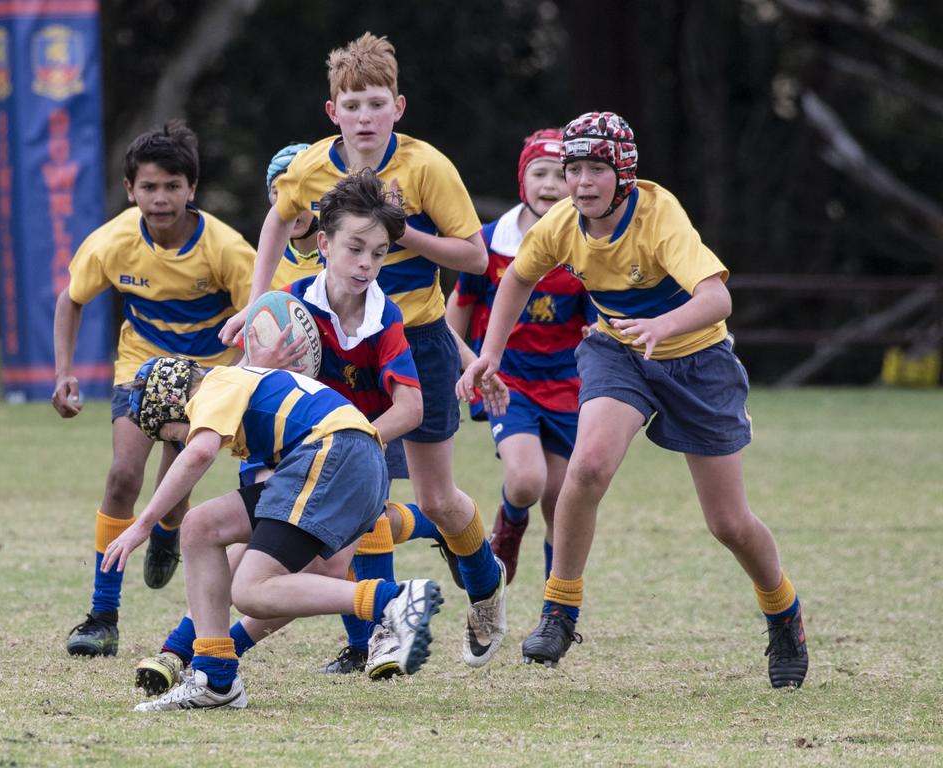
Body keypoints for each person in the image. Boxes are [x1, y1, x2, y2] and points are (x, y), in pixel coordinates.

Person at [458, 111, 809, 688]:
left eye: (596, 168)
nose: (582, 182)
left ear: (623, 173)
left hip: (698, 362)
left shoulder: (657, 212)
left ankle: (783, 614)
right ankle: (560, 611)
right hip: (618, 353)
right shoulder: (563, 224)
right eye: (574, 168)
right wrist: (489, 353)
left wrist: (663, 326)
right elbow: (518, 278)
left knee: (727, 523)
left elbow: (716, 298)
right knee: (588, 466)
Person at [220, 32, 506, 668]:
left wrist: (402, 233)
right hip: (334, 339)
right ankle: (370, 640)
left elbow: (476, 256)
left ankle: (485, 581)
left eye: (377, 103)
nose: (365, 117)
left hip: (418, 338)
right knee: (359, 494)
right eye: (352, 105)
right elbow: (274, 218)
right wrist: (256, 301)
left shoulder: (427, 167)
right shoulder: (311, 167)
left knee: (435, 498)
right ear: (333, 113)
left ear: (398, 107)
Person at [134, 170, 457, 693]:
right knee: (222, 541)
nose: (366, 264)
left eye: (378, 253)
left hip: (339, 452)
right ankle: (195, 657)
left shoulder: (384, 316)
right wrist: (261, 363)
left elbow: (411, 407)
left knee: (260, 580)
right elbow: (247, 386)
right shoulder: (286, 306)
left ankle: (383, 609)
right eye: (356, 248)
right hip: (295, 453)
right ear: (323, 244)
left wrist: (357, 438)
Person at [102, 355, 444, 711]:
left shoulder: (214, 387)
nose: (178, 445)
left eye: (171, 437)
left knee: (250, 590)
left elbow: (200, 452)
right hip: (355, 460)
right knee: (201, 526)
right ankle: (215, 678)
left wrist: (142, 525)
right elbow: (320, 559)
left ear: (174, 407)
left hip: (334, 452)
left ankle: (393, 601)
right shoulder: (247, 392)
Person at [52, 120, 255, 658]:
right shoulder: (115, 241)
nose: (160, 198)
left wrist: (230, 378)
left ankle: (167, 529)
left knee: (174, 490)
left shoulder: (226, 249)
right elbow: (71, 299)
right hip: (141, 368)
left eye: (172, 186)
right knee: (122, 476)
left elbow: (262, 315)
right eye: (149, 187)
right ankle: (102, 616)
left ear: (191, 189)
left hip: (208, 377)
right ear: (130, 191)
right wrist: (64, 371)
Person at [446, 128, 591, 587]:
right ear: (522, 181)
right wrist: (467, 361)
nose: (549, 184)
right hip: (508, 383)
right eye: (539, 172)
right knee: (527, 480)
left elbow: (595, 321)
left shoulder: (586, 246)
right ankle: (509, 524)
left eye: (559, 174)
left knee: (560, 498)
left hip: (569, 386)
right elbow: (454, 316)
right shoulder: (491, 243)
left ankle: (557, 604)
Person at [265, 142, 325, 289]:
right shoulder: (264, 261)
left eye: (299, 192)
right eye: (276, 192)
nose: (289, 203)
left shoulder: (348, 255)